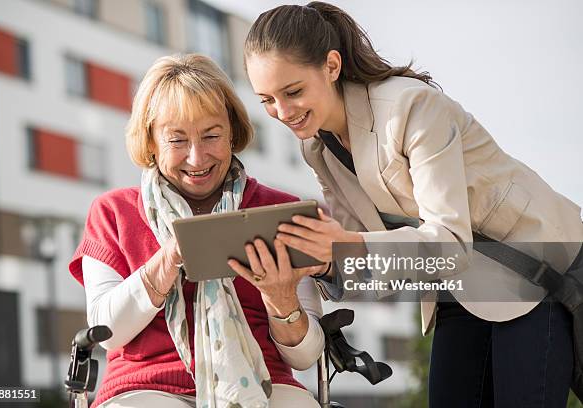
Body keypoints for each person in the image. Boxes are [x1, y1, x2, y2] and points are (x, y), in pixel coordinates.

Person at [242, 2, 583, 407]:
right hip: (457, 287)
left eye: (293, 92)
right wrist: (322, 261)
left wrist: (347, 247)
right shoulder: (318, 148)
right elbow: (373, 263)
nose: (282, 112)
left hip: (535, 271)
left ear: (331, 66)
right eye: (266, 100)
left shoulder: (410, 108)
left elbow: (450, 243)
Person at [68, 54, 326, 408]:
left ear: (232, 132)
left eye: (211, 135)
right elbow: (108, 332)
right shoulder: (113, 211)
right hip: (145, 387)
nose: (196, 157)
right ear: (150, 143)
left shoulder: (279, 210)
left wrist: (281, 299)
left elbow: (306, 356)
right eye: (177, 140)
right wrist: (170, 258)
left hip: (262, 383)